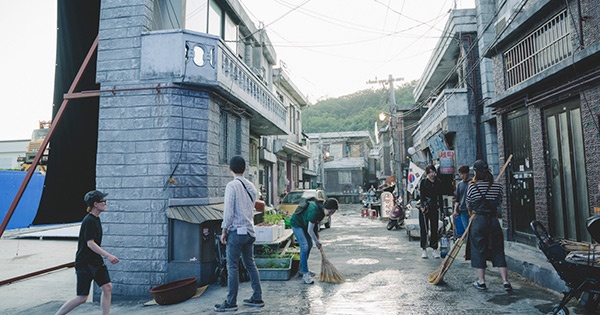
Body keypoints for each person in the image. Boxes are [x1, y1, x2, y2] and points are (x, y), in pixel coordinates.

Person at [55, 190, 119, 315]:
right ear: (95, 204)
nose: (105, 203)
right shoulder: (89, 220)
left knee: (107, 287)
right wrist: (108, 255)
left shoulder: (96, 219)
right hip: (85, 262)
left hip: (95, 261)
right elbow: (90, 243)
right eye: (103, 201)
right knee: (82, 297)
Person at [214, 156, 264, 312]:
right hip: (250, 231)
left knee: (232, 267)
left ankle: (231, 302)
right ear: (244, 169)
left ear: (230, 169)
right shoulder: (251, 186)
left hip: (236, 232)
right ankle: (257, 297)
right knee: (250, 264)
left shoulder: (232, 186)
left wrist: (224, 230)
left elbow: (228, 211)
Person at [467, 159, 512, 291]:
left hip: (479, 220)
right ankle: (505, 281)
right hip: (493, 221)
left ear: (476, 172)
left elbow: (468, 203)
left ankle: (481, 281)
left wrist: (473, 212)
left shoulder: (472, 186)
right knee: (498, 249)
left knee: (478, 249)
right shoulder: (497, 186)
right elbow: (500, 201)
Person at [290, 197, 339, 284]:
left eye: (333, 212)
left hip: (304, 225)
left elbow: (314, 226)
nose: (330, 214)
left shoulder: (322, 211)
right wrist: (317, 241)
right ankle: (305, 274)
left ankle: (302, 270)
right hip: (297, 224)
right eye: (330, 211)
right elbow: (310, 230)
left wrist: (317, 238)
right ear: (325, 207)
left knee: (309, 245)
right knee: (304, 246)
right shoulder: (314, 210)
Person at [419, 164, 443, 259]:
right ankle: (424, 249)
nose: (432, 174)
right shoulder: (424, 182)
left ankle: (435, 249)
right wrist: (422, 206)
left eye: (433, 172)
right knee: (424, 228)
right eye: (430, 172)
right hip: (425, 208)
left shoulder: (439, 183)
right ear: (427, 173)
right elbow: (421, 195)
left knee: (434, 228)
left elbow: (440, 197)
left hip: (434, 207)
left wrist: (442, 210)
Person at [452, 165, 471, 237]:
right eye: (460, 174)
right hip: (462, 210)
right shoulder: (460, 184)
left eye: (463, 174)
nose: (462, 176)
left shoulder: (472, 183)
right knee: (466, 229)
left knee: (472, 229)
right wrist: (455, 210)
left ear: (467, 173)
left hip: (471, 210)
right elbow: (457, 199)